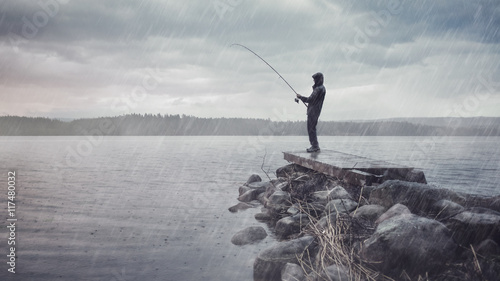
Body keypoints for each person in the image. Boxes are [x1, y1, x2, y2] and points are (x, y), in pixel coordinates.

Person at [296, 72, 326, 153]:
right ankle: (315, 146)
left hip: (313, 112)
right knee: (312, 128)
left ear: (318, 80)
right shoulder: (322, 88)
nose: (313, 81)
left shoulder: (318, 89)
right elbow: (314, 100)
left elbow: (310, 99)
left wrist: (300, 97)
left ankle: (315, 146)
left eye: (314, 80)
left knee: (311, 129)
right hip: (316, 111)